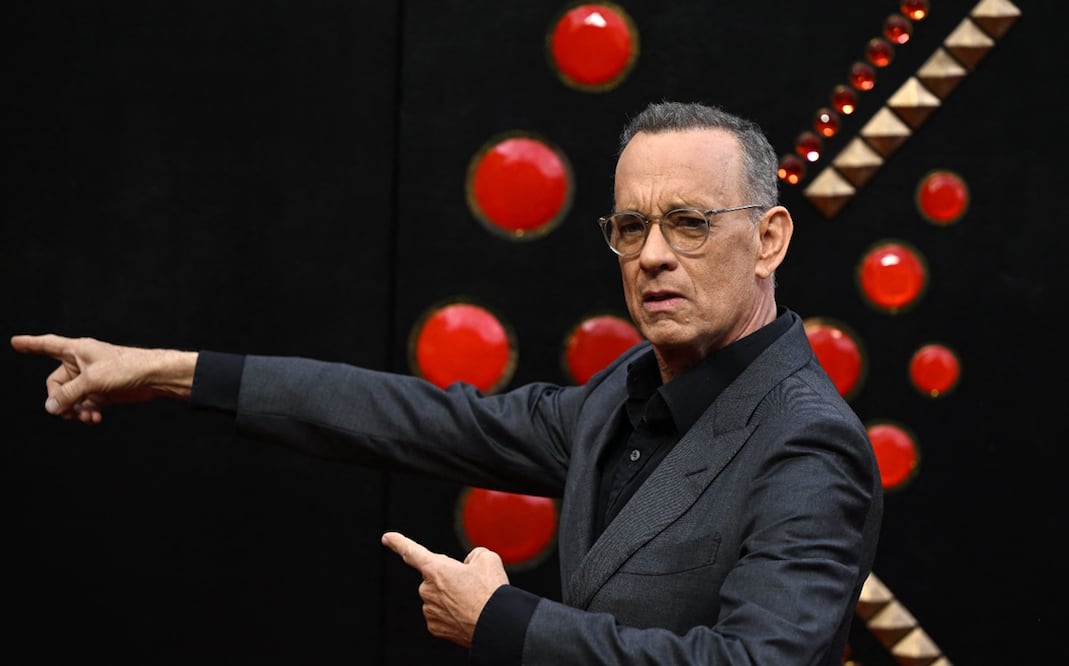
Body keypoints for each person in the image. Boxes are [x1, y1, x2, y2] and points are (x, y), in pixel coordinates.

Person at [11, 100, 882, 665]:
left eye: (689, 224)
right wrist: (165, 375)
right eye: (630, 225)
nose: (652, 254)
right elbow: (414, 418)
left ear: (768, 238)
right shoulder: (625, 392)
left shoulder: (804, 438)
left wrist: (500, 621)